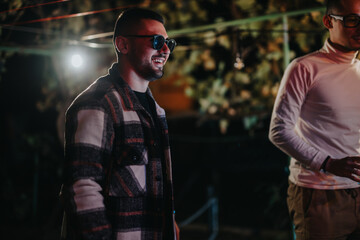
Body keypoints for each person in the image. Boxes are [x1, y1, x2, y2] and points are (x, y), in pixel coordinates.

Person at [60, 7, 179, 240]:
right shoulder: (97, 104)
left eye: (169, 43)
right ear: (123, 45)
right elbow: (82, 190)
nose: (165, 50)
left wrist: (169, 220)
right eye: (156, 41)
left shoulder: (155, 110)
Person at [269, 0, 360, 239]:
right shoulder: (305, 68)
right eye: (352, 20)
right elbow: (279, 130)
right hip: (319, 193)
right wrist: (327, 162)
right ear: (329, 21)